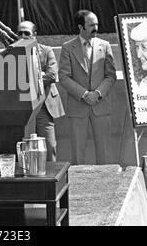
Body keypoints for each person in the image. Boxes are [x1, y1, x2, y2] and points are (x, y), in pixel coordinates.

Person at [58, 10, 116, 165]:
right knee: (78, 153)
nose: (96, 27)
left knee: (104, 151)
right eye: (91, 25)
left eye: (96, 24)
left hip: (101, 105)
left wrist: (97, 93)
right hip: (78, 107)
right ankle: (78, 186)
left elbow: (111, 75)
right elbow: (63, 77)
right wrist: (84, 94)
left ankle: (106, 185)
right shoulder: (67, 48)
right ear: (80, 27)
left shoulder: (105, 46)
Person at [17, 21, 65, 161]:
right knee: (24, 146)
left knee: (49, 145)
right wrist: (38, 75)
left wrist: (27, 81)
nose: (23, 36)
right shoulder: (12, 52)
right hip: (23, 106)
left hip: (44, 105)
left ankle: (51, 177)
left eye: (27, 33)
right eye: (20, 33)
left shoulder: (46, 50)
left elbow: (51, 76)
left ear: (35, 35)